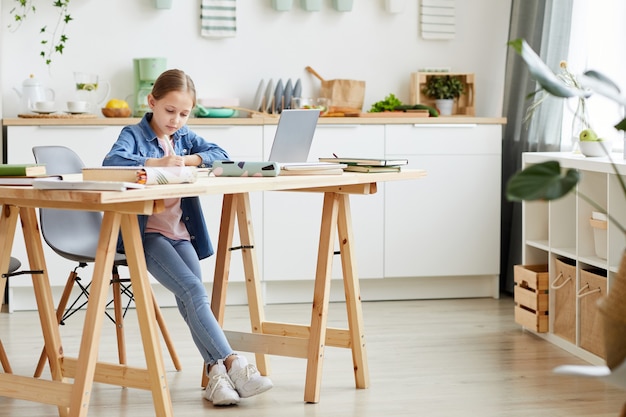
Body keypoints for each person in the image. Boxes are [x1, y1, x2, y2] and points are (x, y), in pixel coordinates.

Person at [102, 69, 273, 406]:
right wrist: (156, 162)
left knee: (192, 300)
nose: (176, 120)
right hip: (147, 236)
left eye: (183, 113)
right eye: (169, 111)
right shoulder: (133, 134)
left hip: (181, 234)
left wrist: (191, 158)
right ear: (151, 103)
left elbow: (219, 154)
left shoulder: (183, 137)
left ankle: (216, 376)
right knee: (193, 290)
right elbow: (111, 162)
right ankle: (234, 363)